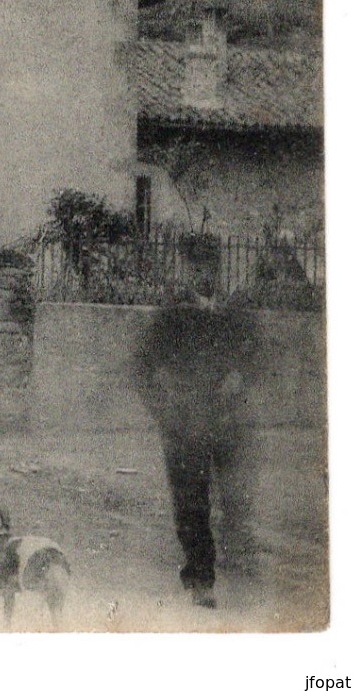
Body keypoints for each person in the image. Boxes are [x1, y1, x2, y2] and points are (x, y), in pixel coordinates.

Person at [133, 246, 261, 610]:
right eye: (195, 266)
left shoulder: (232, 314)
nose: (202, 274)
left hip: (226, 422)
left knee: (236, 496)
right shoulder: (170, 317)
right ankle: (201, 578)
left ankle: (237, 561)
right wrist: (166, 413)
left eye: (209, 267)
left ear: (216, 270)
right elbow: (142, 370)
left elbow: (254, 356)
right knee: (192, 503)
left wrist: (241, 376)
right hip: (184, 425)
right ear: (185, 269)